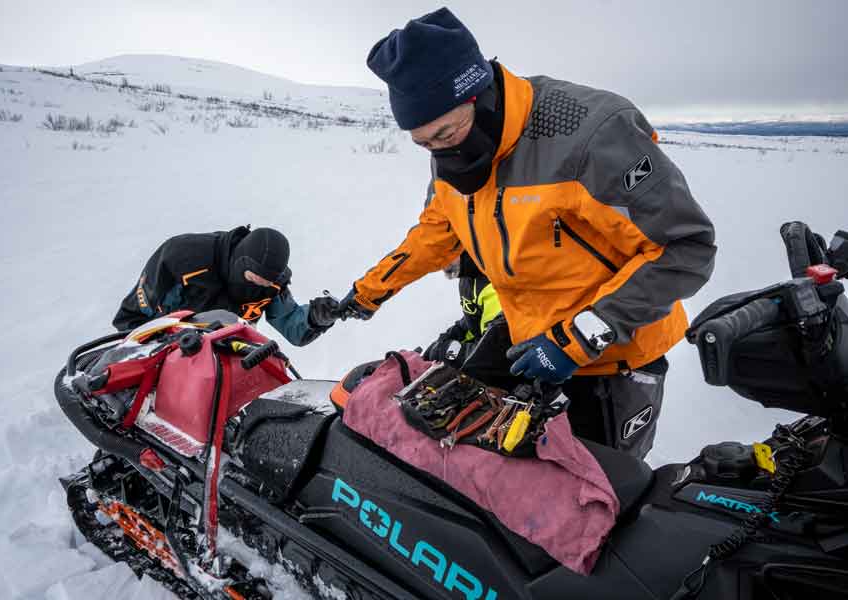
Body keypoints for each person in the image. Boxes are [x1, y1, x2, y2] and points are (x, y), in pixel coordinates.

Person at [339, 7, 716, 458]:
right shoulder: (453, 156)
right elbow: (434, 234)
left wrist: (580, 338)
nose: (440, 152)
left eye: (446, 133)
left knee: (598, 504)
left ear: (479, 96)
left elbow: (685, 247)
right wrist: (367, 293)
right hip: (527, 344)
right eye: (425, 143)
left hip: (614, 357)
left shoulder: (590, 134)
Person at [113, 226, 341, 346]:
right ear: (240, 264)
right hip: (168, 346)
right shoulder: (182, 258)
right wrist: (150, 345)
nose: (262, 286)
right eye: (254, 279)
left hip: (227, 353)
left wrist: (315, 318)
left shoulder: (272, 284)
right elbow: (134, 316)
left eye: (267, 282)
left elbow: (292, 325)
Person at [422, 251, 501, 366]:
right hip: (485, 350)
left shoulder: (493, 282)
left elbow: (493, 350)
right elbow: (475, 318)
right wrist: (454, 334)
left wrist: (447, 351)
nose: (441, 262)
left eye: (448, 251)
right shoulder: (467, 278)